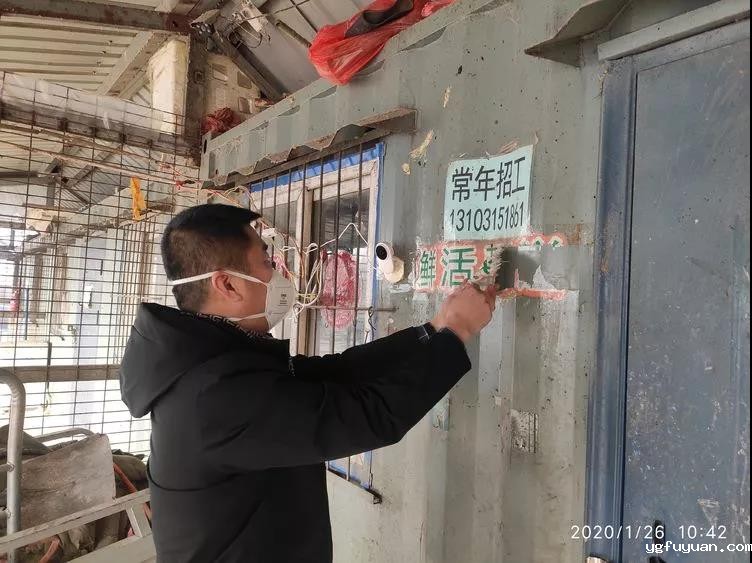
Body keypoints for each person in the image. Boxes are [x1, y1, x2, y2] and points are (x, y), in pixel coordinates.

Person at [120, 204, 496, 563]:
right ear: (228, 285)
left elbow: (337, 372)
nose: (278, 273)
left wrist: (433, 330)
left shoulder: (218, 363)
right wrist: (458, 331)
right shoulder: (212, 398)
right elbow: (368, 417)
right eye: (266, 262)